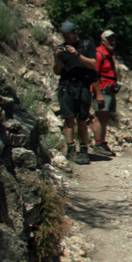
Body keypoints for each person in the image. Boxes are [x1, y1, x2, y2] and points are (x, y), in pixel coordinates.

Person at [52, 20, 97, 165]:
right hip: (66, 85)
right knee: (68, 118)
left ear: (75, 33)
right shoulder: (62, 48)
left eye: (69, 36)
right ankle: (71, 148)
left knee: (82, 120)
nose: (67, 39)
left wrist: (77, 55)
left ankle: (84, 149)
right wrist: (58, 57)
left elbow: (93, 64)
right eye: (64, 36)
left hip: (82, 85)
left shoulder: (87, 45)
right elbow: (57, 71)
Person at [91, 29, 118, 156]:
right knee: (99, 116)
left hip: (109, 90)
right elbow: (93, 74)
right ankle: (97, 143)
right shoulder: (99, 54)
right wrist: (98, 93)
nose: (112, 41)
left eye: (113, 39)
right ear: (103, 40)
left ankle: (101, 142)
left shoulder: (109, 54)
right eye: (109, 39)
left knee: (105, 116)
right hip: (101, 90)